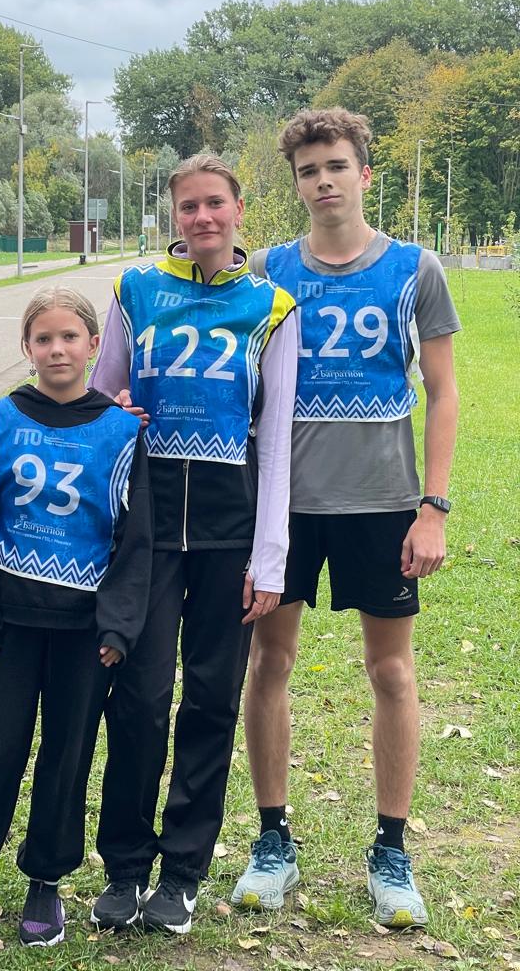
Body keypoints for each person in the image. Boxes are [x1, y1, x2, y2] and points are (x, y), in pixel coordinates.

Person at [232, 108, 460, 927]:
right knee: (270, 662)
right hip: (283, 507)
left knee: (391, 672)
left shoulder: (414, 268)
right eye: (308, 170)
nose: (323, 180)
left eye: (336, 165)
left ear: (365, 173)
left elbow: (443, 392)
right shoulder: (267, 270)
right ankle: (272, 841)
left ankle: (391, 851)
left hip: (383, 503)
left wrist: (432, 507)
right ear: (296, 184)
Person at [89, 154, 298, 934]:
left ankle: (181, 874)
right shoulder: (136, 290)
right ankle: (124, 868)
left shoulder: (272, 306)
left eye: (215, 203)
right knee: (139, 700)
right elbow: (98, 402)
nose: (203, 217)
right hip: (145, 533)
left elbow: (276, 440)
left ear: (239, 208)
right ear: (172, 215)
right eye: (188, 206)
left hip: (227, 531)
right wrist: (115, 412)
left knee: (210, 701)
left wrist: (269, 557)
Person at [0, 287, 152, 959]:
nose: (57, 349)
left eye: (69, 337)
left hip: (85, 633)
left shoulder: (123, 431)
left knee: (66, 756)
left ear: (93, 345)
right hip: (9, 629)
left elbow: (136, 538)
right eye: (43, 339)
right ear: (27, 348)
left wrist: (118, 626)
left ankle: (45, 880)